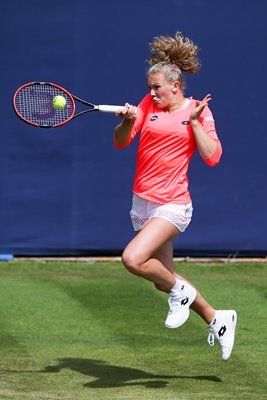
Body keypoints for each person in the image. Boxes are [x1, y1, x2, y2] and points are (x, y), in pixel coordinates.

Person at [113, 31, 237, 361]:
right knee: (160, 280)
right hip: (142, 203)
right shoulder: (146, 105)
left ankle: (181, 292)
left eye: (156, 88)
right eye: (149, 87)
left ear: (175, 87)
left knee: (133, 259)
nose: (151, 93)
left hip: (173, 204)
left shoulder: (199, 111)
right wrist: (127, 121)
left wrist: (195, 124)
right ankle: (217, 318)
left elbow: (213, 157)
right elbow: (122, 141)